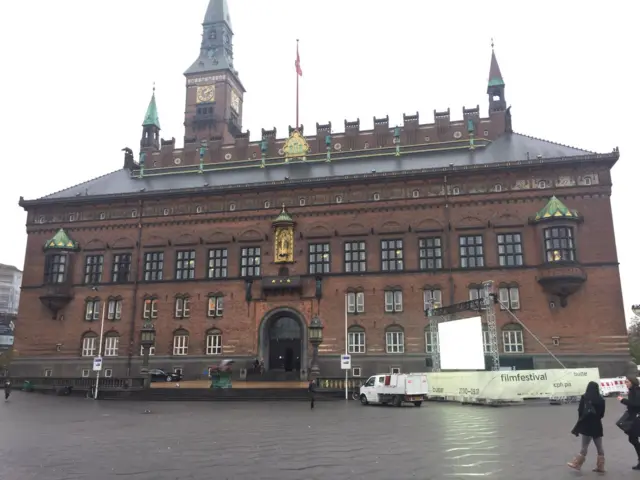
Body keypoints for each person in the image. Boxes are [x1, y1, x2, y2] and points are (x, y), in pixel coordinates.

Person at [567, 381, 605, 472]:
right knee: (599, 446)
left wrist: (581, 419)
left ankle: (577, 463)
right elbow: (601, 414)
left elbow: (580, 410)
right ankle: (601, 466)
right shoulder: (601, 399)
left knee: (584, 445)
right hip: (597, 424)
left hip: (587, 424)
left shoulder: (585, 397)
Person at [619, 376, 640, 470]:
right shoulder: (633, 390)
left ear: (632, 382)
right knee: (633, 439)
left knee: (633, 438)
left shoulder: (635, 391)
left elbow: (636, 404)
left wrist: (622, 400)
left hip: (636, 418)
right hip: (634, 418)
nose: (625, 383)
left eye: (627, 382)